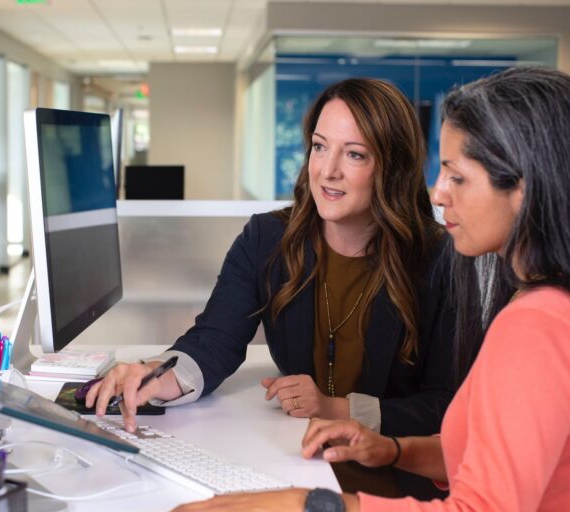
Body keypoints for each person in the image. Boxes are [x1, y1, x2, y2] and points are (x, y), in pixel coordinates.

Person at [172, 66, 570, 512]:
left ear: (523, 188)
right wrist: (391, 449)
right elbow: (481, 455)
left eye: (457, 176)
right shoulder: (536, 305)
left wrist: (308, 504)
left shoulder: (532, 321)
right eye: (319, 148)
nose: (438, 194)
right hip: (336, 458)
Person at [88, 78, 455, 497]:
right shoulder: (268, 239)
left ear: (393, 167)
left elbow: (445, 405)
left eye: (354, 154)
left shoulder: (438, 260)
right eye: (320, 147)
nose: (327, 170)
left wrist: (338, 408)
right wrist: (158, 376)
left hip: (398, 482)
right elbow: (215, 339)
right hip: (299, 464)